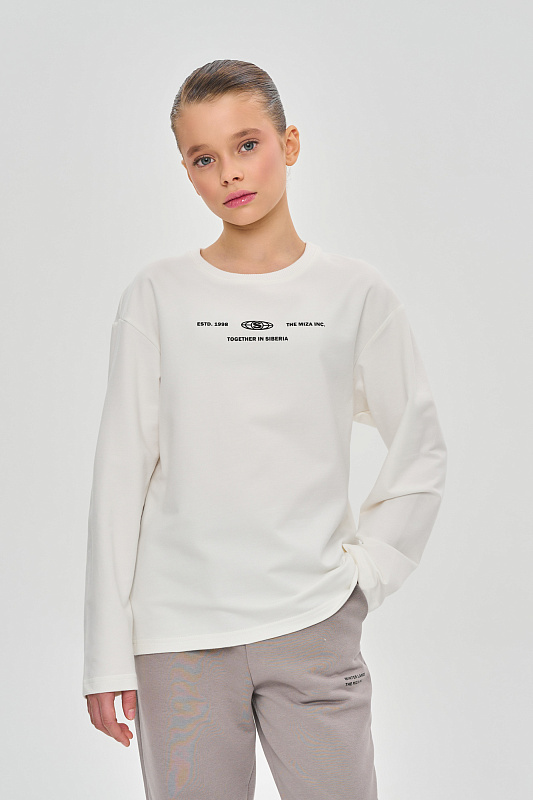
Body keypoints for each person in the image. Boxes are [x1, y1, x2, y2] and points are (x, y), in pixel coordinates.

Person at [83, 59, 447, 800]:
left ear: (290, 143)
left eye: (247, 144)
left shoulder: (355, 294)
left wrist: (366, 576)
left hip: (313, 623)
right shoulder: (157, 295)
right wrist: (105, 657)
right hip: (178, 640)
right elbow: (121, 474)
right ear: (186, 171)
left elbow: (421, 446)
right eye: (203, 158)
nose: (229, 172)